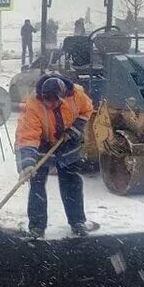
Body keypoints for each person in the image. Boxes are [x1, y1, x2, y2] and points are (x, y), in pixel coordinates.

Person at [15, 73, 95, 239]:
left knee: (71, 182)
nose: (49, 104)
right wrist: (29, 162)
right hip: (41, 145)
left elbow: (87, 110)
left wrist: (73, 130)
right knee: (37, 184)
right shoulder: (32, 106)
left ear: (63, 97)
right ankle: (37, 227)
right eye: (46, 100)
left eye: (54, 100)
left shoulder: (76, 95)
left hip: (68, 144)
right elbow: (28, 136)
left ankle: (77, 221)